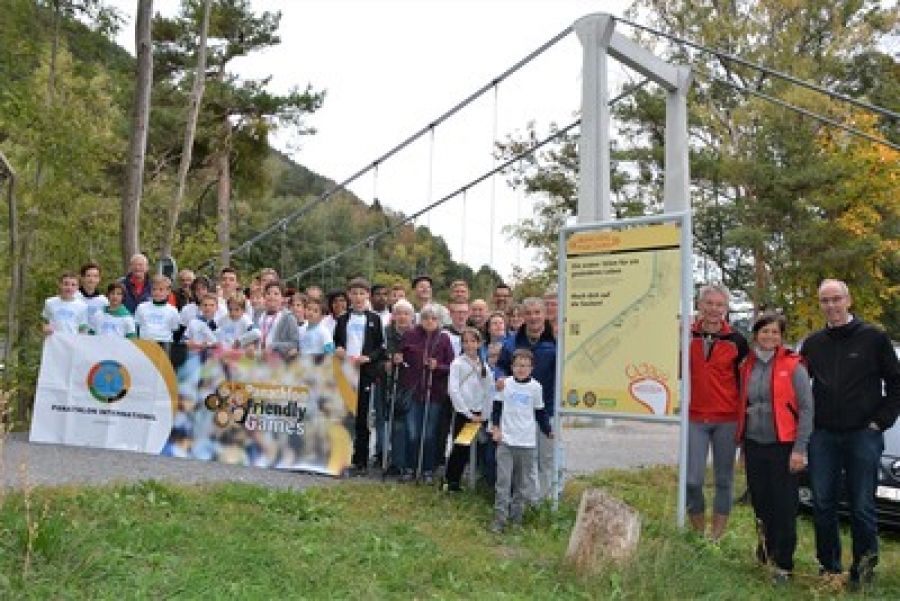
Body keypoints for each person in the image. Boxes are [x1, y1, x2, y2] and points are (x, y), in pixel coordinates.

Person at [800, 279, 900, 591]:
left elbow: (896, 383)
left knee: (862, 506)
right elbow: (799, 388)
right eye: (825, 301)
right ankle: (829, 569)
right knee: (823, 504)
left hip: (863, 435)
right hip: (823, 436)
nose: (831, 306)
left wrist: (881, 421)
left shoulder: (874, 338)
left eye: (836, 299)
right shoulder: (813, 343)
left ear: (848, 300)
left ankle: (864, 571)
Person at [737, 312, 813, 584]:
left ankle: (784, 564)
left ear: (781, 336)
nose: (769, 336)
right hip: (754, 445)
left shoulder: (794, 366)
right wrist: (743, 448)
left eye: (775, 332)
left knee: (784, 507)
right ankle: (766, 552)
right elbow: (743, 407)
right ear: (755, 334)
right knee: (761, 503)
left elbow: (806, 410)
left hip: (784, 446)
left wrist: (800, 449)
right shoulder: (747, 365)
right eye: (764, 331)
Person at [687, 284, 749, 541]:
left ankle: (716, 538)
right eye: (709, 303)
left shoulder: (737, 341)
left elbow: (745, 384)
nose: (714, 309)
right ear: (699, 305)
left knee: (724, 480)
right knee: (692, 480)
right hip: (694, 418)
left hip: (727, 419)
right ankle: (699, 534)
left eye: (719, 304)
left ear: (726, 308)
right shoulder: (686, 335)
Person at [497, 297, 557, 500]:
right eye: (529, 313)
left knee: (547, 458)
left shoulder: (555, 341)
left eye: (537, 312)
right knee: (527, 459)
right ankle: (529, 499)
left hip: (548, 409)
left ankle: (547, 499)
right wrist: (499, 378)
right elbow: (501, 366)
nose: (533, 317)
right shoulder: (512, 342)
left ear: (544, 314)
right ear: (523, 316)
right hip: (520, 411)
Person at [489, 348, 552, 533]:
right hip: (506, 442)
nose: (521, 369)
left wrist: (548, 430)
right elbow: (496, 409)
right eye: (518, 365)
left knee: (522, 485)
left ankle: (516, 520)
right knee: (503, 482)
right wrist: (495, 428)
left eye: (525, 366)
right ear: (512, 367)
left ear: (531, 368)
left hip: (527, 443)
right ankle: (499, 520)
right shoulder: (505, 384)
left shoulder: (536, 387)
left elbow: (540, 413)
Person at [334, 277, 386, 475]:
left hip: (364, 372)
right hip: (345, 372)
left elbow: (381, 348)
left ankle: (360, 460)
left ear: (368, 296)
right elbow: (335, 342)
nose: (358, 297)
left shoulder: (374, 319)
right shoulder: (342, 319)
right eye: (354, 293)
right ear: (349, 295)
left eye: (362, 293)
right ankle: (340, 456)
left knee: (362, 417)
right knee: (342, 414)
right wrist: (338, 349)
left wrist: (369, 357)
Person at [399, 305, 455, 483]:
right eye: (425, 318)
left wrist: (438, 366)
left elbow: (452, 366)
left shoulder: (444, 338)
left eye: (433, 318)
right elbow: (401, 359)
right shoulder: (410, 335)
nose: (429, 321)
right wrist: (398, 360)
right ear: (420, 319)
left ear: (439, 321)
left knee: (429, 433)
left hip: (434, 393)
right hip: (414, 392)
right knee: (412, 432)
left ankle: (427, 469)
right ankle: (409, 467)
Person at [446, 327, 494, 492]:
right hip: (464, 413)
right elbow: (453, 390)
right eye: (465, 341)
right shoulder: (457, 364)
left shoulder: (483, 365)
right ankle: (452, 482)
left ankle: (483, 481)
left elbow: (489, 390)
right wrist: (466, 412)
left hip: (480, 414)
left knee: (482, 447)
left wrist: (485, 414)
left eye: (473, 341)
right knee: (460, 448)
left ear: (479, 343)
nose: (469, 345)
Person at [383, 299, 415, 474]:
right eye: (399, 313)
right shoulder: (386, 332)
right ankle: (396, 462)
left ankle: (407, 463)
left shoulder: (416, 334)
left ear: (412, 317)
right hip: (391, 383)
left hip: (411, 385)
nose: (402, 317)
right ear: (393, 316)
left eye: (406, 314)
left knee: (408, 426)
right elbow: (380, 353)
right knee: (395, 425)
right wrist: (389, 359)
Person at [253, 282, 299, 360]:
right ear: (264, 296)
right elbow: (252, 334)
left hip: (276, 361)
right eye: (268, 293)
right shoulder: (258, 313)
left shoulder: (288, 317)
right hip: (257, 359)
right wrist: (250, 344)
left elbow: (294, 343)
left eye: (276, 294)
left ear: (282, 298)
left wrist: (274, 346)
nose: (272, 296)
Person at [134, 275, 181, 346]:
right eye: (154, 289)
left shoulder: (173, 310)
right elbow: (137, 326)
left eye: (161, 289)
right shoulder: (141, 307)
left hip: (164, 345)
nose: (157, 292)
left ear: (168, 291)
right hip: (144, 344)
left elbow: (174, 329)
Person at [42, 270, 89, 335]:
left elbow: (83, 327)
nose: (69, 288)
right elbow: (45, 320)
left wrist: (81, 339)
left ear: (77, 287)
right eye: (66, 284)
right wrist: (45, 328)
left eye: (73, 285)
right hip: (54, 340)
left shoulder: (82, 306)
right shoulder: (50, 302)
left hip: (72, 340)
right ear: (60, 284)